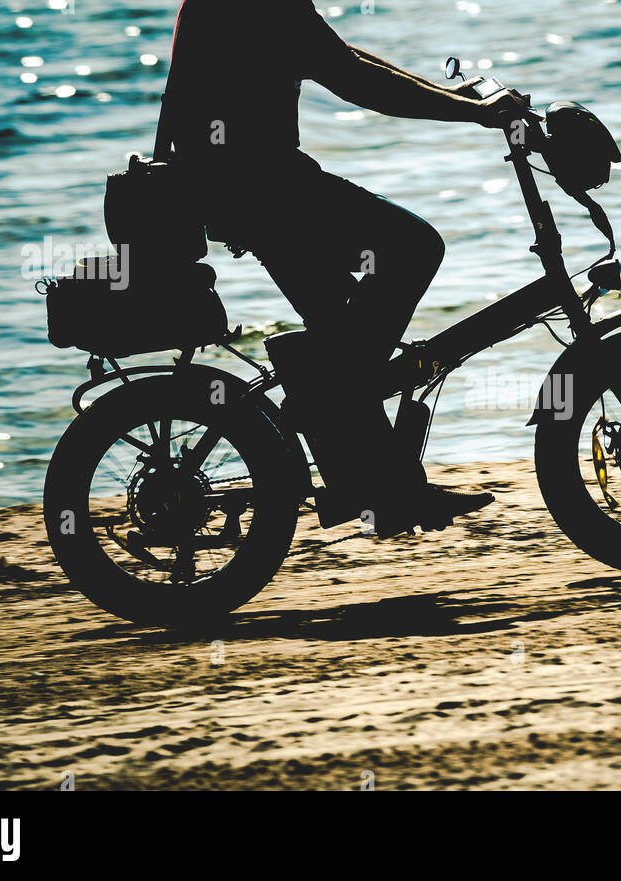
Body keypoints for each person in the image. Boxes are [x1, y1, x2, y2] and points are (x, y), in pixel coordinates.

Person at [165, 0, 525, 536]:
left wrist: (454, 95)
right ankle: (338, 424)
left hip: (237, 187)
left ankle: (384, 487)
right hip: (262, 188)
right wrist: (473, 112)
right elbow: (352, 79)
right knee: (413, 249)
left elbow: (340, 55)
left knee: (345, 333)